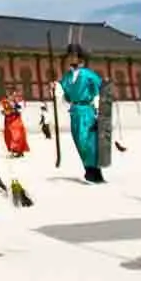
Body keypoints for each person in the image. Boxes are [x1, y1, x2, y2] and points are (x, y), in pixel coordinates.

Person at [59, 43, 110, 183]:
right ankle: (89, 169)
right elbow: (63, 93)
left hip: (87, 110)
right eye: (70, 56)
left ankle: (94, 171)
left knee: (88, 141)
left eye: (74, 56)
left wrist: (99, 108)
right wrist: (55, 87)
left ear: (80, 58)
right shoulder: (67, 77)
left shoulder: (88, 74)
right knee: (79, 142)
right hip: (74, 112)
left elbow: (101, 88)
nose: (72, 58)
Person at [0, 93, 30, 158]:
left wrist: (12, 111)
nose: (11, 97)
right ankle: (16, 151)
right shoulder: (5, 102)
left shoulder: (18, 103)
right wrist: (5, 112)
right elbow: (4, 110)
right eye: (10, 96)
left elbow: (19, 110)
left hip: (16, 122)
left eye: (12, 96)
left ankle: (17, 151)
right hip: (9, 122)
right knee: (10, 136)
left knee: (16, 136)